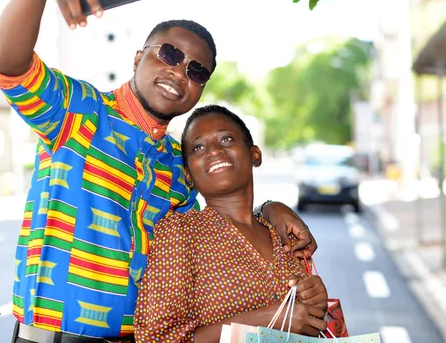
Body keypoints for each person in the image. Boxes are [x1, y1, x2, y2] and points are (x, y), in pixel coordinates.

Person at [0, 0, 317, 343]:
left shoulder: (180, 166)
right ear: (138, 57)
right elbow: (8, 66)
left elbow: (219, 223)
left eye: (197, 71)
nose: (180, 72)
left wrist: (270, 210)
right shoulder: (78, 112)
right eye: (170, 55)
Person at [134, 105, 329, 342]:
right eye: (198, 147)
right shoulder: (182, 233)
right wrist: (266, 319)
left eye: (226, 139)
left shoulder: (284, 235)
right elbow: (156, 338)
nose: (214, 150)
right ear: (188, 175)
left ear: (255, 154)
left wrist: (316, 302)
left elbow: (313, 328)